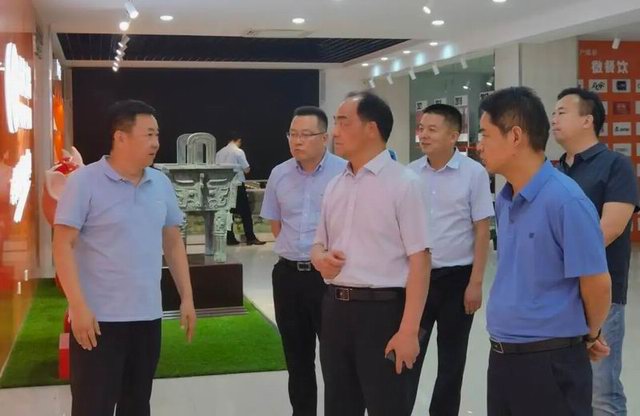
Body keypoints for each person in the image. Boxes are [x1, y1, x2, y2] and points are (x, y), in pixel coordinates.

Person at [53, 100, 196, 416]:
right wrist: (78, 307)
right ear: (120, 137)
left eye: (157, 134)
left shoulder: (160, 182)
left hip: (147, 318)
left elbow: (173, 242)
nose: (156, 143)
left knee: (137, 405)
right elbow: (62, 245)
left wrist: (186, 297)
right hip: (98, 320)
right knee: (93, 406)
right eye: (148, 134)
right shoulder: (84, 182)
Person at [477, 86, 612, 416]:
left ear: (515, 136)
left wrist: (590, 335)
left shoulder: (565, 200)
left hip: (550, 362)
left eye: (486, 134)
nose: (479, 145)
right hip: (503, 356)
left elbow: (596, 283)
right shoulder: (506, 199)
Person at [310, 91, 431, 416]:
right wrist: (320, 259)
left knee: (388, 404)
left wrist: (409, 331)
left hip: (383, 313)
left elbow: (420, 261)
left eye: (343, 122)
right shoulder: (335, 184)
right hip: (336, 309)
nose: (334, 132)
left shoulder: (404, 184)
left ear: (371, 128)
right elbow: (318, 244)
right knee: (338, 405)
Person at [553, 87, 639, 416]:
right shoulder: (554, 170)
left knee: (601, 388)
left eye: (562, 112)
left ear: (587, 120)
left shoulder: (615, 165)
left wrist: (559, 259)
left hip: (601, 290)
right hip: (557, 292)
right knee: (563, 383)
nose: (554, 119)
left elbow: (611, 227)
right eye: (553, 113)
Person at [408, 104, 494, 416]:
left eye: (432, 129)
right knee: (407, 353)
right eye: (421, 128)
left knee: (452, 360)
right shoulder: (410, 173)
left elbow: (481, 231)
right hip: (417, 279)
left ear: (453, 135)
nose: (423, 135)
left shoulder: (473, 173)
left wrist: (476, 283)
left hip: (457, 281)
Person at [260, 106, 346, 415]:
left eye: (305, 134)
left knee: (336, 359)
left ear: (324, 137)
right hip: (288, 277)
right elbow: (276, 225)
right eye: (292, 134)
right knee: (297, 360)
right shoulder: (279, 173)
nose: (297, 141)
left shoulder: (344, 172)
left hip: (330, 279)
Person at [215, 132, 265, 245]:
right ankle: (250, 237)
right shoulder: (238, 152)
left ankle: (230, 238)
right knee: (245, 212)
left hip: (223, 186)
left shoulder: (219, 153)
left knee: (228, 213)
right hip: (237, 185)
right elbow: (246, 169)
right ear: (238, 140)